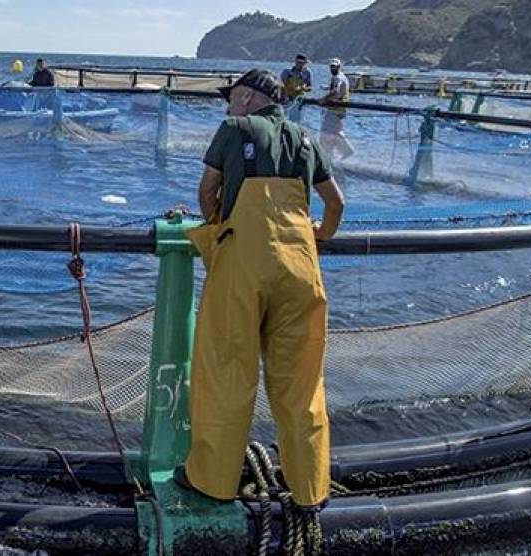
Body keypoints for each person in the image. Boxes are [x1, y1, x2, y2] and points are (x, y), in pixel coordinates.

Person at [172, 69, 344, 518]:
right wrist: (320, 233)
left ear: (246, 98)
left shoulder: (233, 129)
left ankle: (211, 480)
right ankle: (310, 487)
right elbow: (336, 204)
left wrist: (215, 225)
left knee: (228, 372)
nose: (228, 105)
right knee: (302, 381)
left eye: (231, 97)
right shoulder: (306, 139)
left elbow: (207, 190)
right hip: (301, 270)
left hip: (243, 269)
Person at [320, 58, 355, 160]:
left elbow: (336, 90)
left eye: (335, 67)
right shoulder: (341, 77)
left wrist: (323, 99)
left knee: (326, 131)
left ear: (339, 67)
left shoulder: (338, 78)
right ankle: (340, 151)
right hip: (340, 109)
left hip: (335, 108)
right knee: (335, 130)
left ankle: (329, 154)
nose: (333, 68)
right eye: (331, 66)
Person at [281, 53, 312, 123]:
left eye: (303, 63)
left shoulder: (307, 72)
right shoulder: (287, 72)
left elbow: (310, 87)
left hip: (299, 101)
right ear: (295, 61)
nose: (301, 65)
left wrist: (304, 88)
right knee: (284, 121)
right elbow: (282, 86)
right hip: (287, 100)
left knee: (297, 122)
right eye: (299, 63)